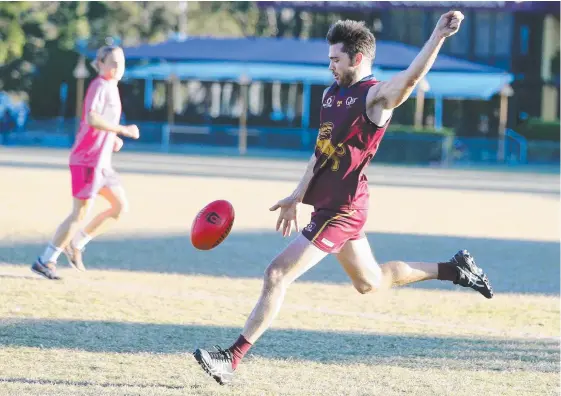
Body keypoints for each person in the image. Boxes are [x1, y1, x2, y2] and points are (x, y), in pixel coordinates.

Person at [193, 11, 494, 385]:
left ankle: (232, 358)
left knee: (276, 274)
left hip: (342, 210)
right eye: (330, 59)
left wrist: (437, 35)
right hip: (332, 204)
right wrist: (296, 194)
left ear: (358, 58)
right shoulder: (331, 94)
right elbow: (321, 151)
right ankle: (456, 269)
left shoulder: (376, 96)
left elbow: (412, 78)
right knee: (370, 281)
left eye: (336, 59)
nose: (330, 65)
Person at [31, 45, 140, 280]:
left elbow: (101, 123)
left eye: (120, 63)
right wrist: (122, 129)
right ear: (100, 64)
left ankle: (77, 243)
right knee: (79, 214)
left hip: (102, 162)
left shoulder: (112, 87)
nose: (117, 68)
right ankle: (46, 260)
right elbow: (92, 118)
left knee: (120, 207)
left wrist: (112, 140)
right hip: (87, 161)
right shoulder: (99, 85)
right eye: (112, 62)